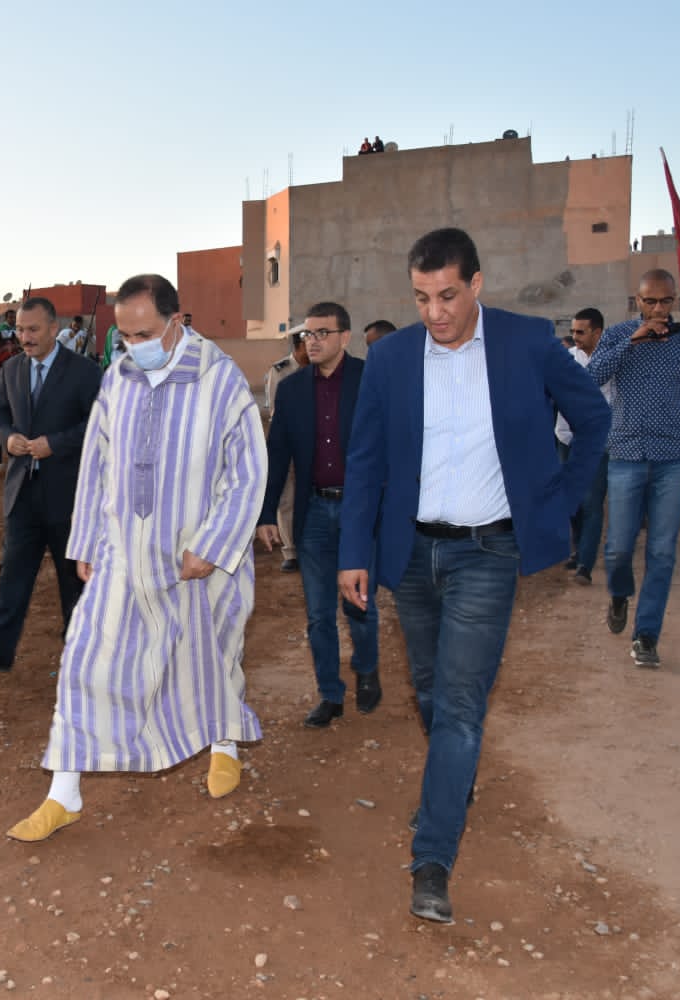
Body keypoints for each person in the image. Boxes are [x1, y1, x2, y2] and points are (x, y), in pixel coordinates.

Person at [337, 228, 609, 924]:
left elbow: (594, 419)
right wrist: (353, 551)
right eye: (421, 298)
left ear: (477, 284)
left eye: (448, 296)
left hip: (489, 553)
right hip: (411, 555)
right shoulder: (392, 357)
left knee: (460, 706)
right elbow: (365, 461)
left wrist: (557, 502)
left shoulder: (528, 342)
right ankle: (453, 780)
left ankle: (433, 857)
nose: (435, 312)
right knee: (431, 690)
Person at [6, 273, 267, 843]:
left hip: (196, 556)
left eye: (144, 334)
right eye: (124, 336)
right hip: (123, 552)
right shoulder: (118, 379)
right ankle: (64, 794)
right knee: (85, 660)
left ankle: (223, 744)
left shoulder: (219, 378)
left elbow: (249, 470)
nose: (133, 346)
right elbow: (97, 465)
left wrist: (214, 545)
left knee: (210, 654)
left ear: (176, 322)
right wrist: (87, 540)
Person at [0, 296, 103, 672]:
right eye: (21, 329)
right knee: (13, 575)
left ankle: (80, 656)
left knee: (74, 581)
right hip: (22, 493)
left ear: (54, 328)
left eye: (33, 329)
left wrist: (55, 443)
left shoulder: (85, 372)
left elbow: (100, 424)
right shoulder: (12, 369)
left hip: (69, 496)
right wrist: (7, 438)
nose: (25, 337)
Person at [589, 268, 680, 668]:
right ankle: (619, 594)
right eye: (651, 301)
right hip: (625, 454)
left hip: (672, 458)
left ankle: (646, 635)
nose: (659, 309)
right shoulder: (617, 336)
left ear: (675, 301)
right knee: (618, 548)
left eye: (666, 301)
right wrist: (633, 340)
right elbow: (591, 378)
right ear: (638, 301)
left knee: (662, 551)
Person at [259, 301, 379, 727]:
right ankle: (330, 693)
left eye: (322, 333)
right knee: (318, 613)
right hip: (312, 513)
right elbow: (278, 454)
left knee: (359, 605)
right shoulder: (291, 389)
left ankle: (367, 668)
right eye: (307, 334)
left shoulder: (369, 380)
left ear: (344, 337)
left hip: (359, 512)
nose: (312, 341)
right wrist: (266, 512)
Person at [555, 308, 611, 584]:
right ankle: (578, 551)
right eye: (573, 331)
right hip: (566, 438)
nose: (575, 336)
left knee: (591, 502)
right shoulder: (567, 359)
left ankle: (585, 565)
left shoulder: (611, 362)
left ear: (597, 333)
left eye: (581, 331)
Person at [262, 325, 311, 572]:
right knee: (287, 497)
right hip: (290, 441)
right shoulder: (280, 370)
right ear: (299, 346)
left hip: (313, 442)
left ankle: (309, 546)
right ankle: (291, 551)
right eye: (307, 344)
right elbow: (275, 411)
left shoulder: (318, 368)